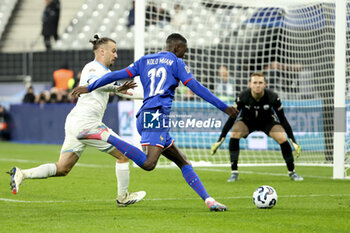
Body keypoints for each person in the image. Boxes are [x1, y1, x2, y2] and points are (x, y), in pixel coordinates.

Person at [71, 33, 239, 212]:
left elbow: (116, 75)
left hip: (145, 115)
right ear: (176, 48)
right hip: (156, 116)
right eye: (184, 50)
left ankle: (209, 200)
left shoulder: (145, 60)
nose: (185, 54)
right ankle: (105, 136)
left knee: (183, 161)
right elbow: (196, 87)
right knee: (149, 164)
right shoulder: (176, 62)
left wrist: (90, 86)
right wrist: (224, 107)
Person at [8, 35, 146, 207]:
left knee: (62, 168)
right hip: (87, 124)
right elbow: (94, 83)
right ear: (101, 51)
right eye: (113, 51)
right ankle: (123, 197)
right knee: (123, 156)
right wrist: (116, 87)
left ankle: (23, 174)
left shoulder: (107, 74)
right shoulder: (93, 68)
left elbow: (124, 92)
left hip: (76, 123)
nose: (116, 55)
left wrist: (152, 94)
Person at [210, 72, 303, 182]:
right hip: (247, 122)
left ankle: (292, 172)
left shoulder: (273, 97)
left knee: (282, 137)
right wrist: (221, 138)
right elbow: (232, 118)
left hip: (267, 121)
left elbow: (283, 119)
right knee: (235, 132)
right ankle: (234, 172)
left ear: (265, 84)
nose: (257, 85)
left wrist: (293, 141)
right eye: (255, 83)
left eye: (260, 83)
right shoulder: (242, 97)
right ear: (250, 84)